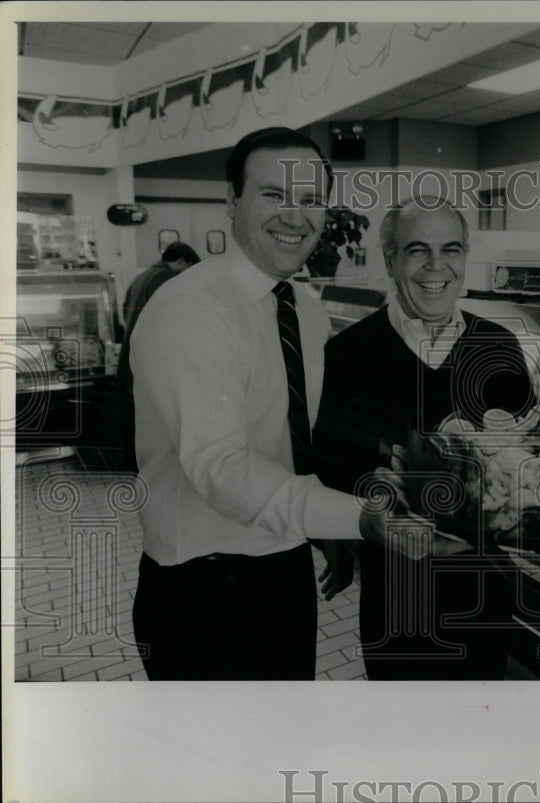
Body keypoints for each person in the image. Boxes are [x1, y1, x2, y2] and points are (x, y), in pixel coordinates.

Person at [129, 127, 364, 680]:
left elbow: (291, 441)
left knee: (282, 749)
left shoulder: (306, 312)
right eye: (274, 195)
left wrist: (318, 525)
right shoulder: (191, 307)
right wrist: (361, 518)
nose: (295, 215)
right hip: (202, 588)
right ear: (231, 202)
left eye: (310, 200)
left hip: (282, 570)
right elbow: (221, 465)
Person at [311, 197, 536, 680]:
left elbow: (528, 461)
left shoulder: (498, 345)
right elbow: (324, 473)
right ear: (390, 259)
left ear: (465, 255)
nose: (437, 266)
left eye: (450, 249)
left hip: (485, 596)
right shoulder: (348, 354)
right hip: (397, 604)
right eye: (417, 250)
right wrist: (337, 533)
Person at [116, 242, 200, 471]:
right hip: (156, 364)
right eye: (189, 267)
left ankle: (139, 468)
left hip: (134, 359)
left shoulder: (142, 277)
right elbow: (177, 323)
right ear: (182, 261)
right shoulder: (166, 280)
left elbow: (124, 311)